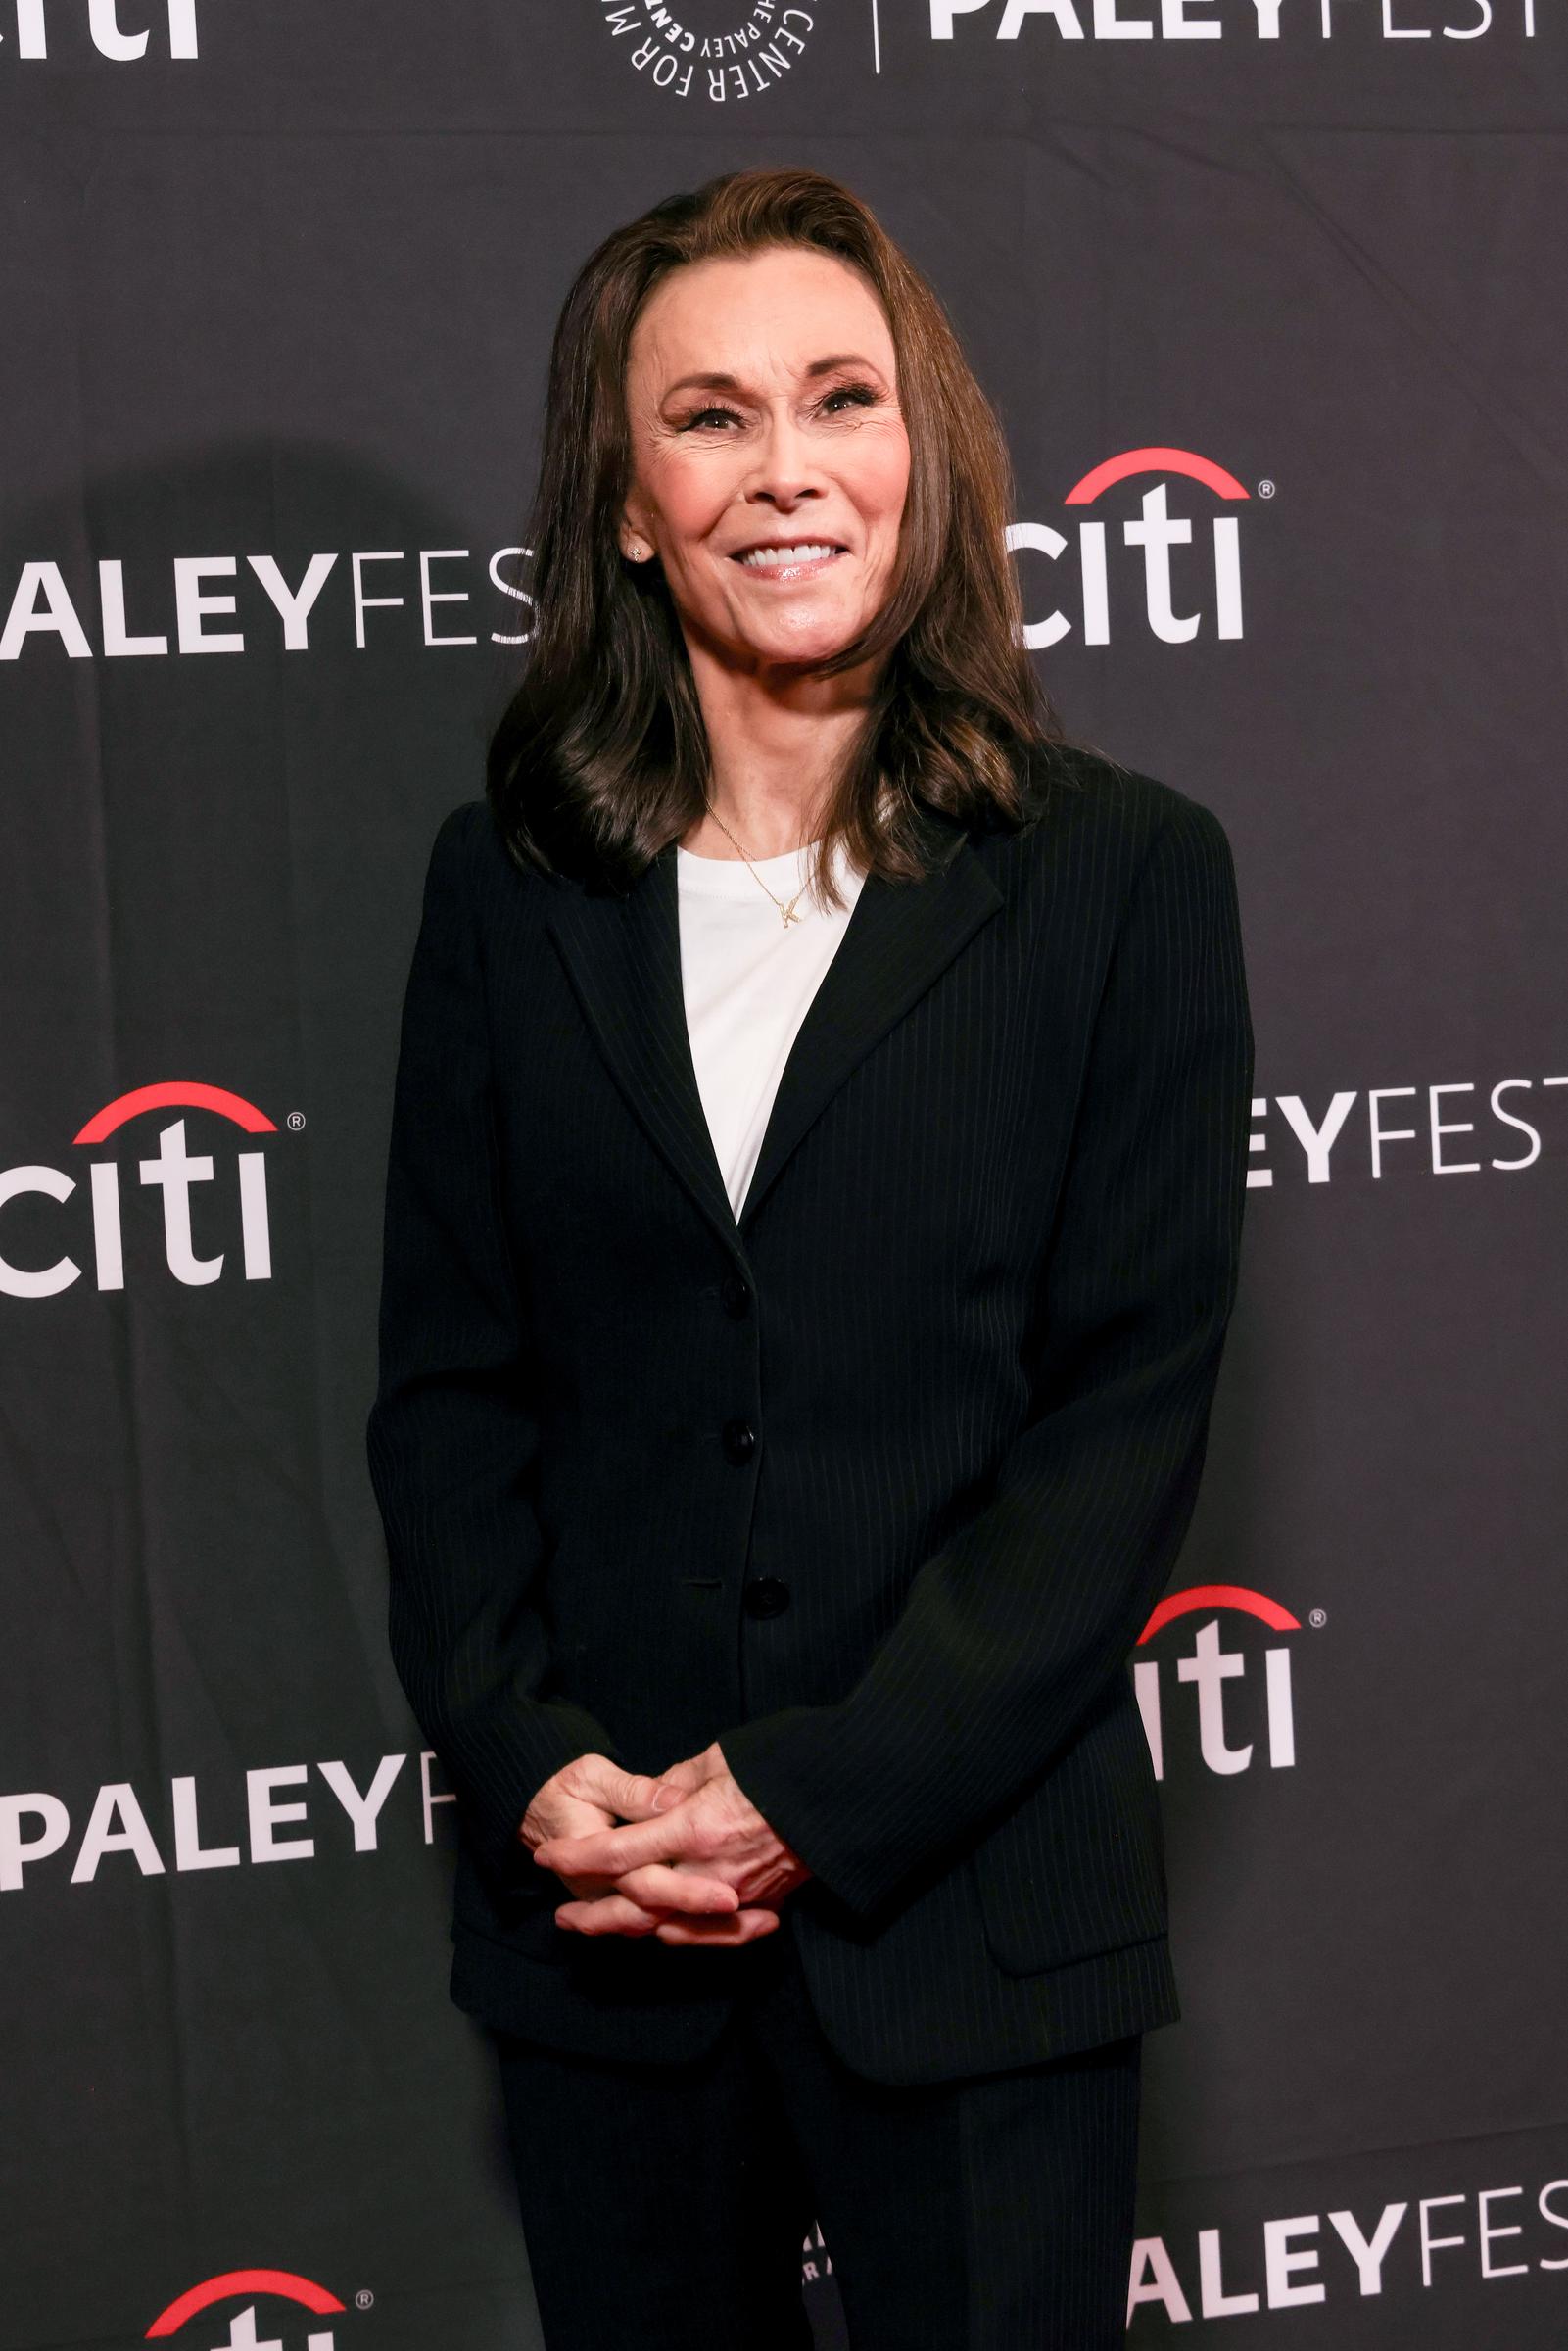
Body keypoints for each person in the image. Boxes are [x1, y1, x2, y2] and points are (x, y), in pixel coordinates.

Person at [366, 164, 1255, 2350]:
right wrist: (526, 1753)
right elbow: (452, 1390)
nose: (787, 471)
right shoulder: (507, 891)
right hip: (607, 1922)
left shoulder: (1126, 876)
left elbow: (1119, 1430)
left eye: (841, 399)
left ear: (919, 457)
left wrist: (807, 1796)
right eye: (711, 417)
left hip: (972, 1923)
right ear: (624, 503)